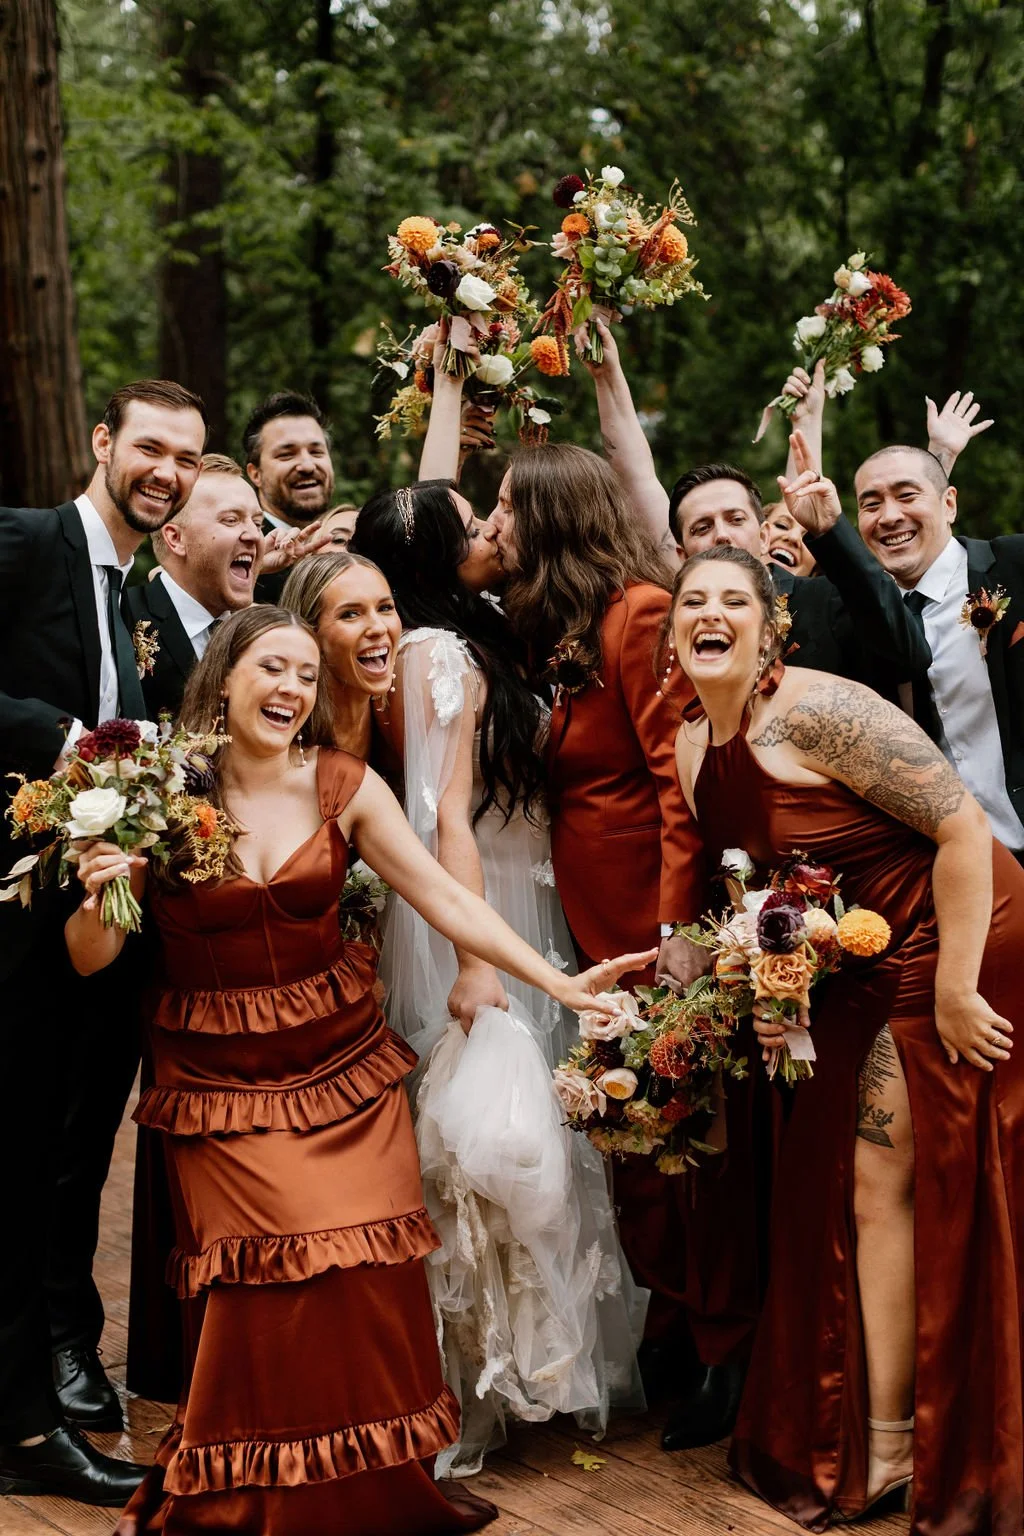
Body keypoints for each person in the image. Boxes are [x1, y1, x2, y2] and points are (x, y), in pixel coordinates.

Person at [66, 605, 652, 1534]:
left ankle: (369, 1496)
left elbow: (446, 897)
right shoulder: (161, 791)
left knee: (365, 1289)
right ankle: (251, 1501)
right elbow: (92, 958)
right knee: (267, 1295)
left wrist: (562, 986)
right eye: (274, 668)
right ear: (225, 678)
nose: (294, 689)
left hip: (343, 1067)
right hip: (218, 1088)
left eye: (307, 674)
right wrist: (105, 887)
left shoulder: (345, 784)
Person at [670, 540, 1024, 1532]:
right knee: (834, 1182)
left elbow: (959, 829)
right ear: (672, 634)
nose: (710, 613)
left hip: (952, 937)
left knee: (878, 1188)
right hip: (846, 960)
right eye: (690, 600)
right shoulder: (693, 741)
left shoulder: (821, 710)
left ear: (768, 623)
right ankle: (875, 1415)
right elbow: (748, 876)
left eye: (732, 599)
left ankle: (893, 1443)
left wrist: (954, 988)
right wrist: (720, 956)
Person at [350, 480, 646, 1473]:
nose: (491, 532)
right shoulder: (435, 653)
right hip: (474, 910)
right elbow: (441, 814)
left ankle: (538, 1369)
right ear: (438, 555)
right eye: (473, 524)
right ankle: (473, 1380)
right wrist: (476, 961)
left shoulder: (474, 632)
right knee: (479, 1153)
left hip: (525, 894)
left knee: (531, 1137)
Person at [0, 379, 207, 1506]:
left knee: (35, 1177)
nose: (166, 469)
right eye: (152, 447)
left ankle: (25, 1411)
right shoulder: (28, 543)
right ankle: (29, 1435)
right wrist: (72, 740)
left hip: (72, 933)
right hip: (7, 918)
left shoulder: (126, 599)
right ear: (102, 443)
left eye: (186, 456)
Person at [489, 442, 709, 1402]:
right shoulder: (553, 626)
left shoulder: (638, 615)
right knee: (623, 1126)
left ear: (549, 520)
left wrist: (676, 933)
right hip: (576, 920)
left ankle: (702, 1340)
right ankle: (664, 1327)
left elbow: (678, 786)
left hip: (642, 926)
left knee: (669, 1130)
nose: (494, 523)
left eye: (506, 507)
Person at [855, 440, 1023, 858]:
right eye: (870, 504)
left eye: (907, 495)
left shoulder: (1015, 564)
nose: (889, 516)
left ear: (949, 504)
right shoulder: (855, 621)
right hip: (942, 869)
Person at [127, 454, 327, 720]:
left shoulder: (265, 631)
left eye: (257, 523)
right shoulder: (122, 618)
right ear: (175, 538)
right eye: (231, 520)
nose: (254, 535)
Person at [281, 549, 402, 759]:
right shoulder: (283, 733)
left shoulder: (402, 724)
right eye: (351, 614)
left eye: (385, 608)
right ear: (310, 632)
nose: (379, 628)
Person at [242, 391, 335, 600]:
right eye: (286, 454)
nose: (307, 466)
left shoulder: (352, 539)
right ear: (255, 474)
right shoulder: (244, 554)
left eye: (316, 452)